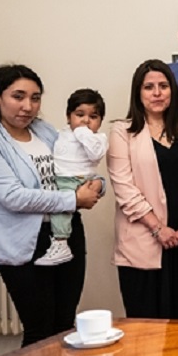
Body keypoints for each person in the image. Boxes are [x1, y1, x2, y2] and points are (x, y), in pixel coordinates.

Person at [0, 64, 100, 346]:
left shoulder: (43, 130)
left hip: (66, 233)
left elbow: (76, 165)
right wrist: (74, 199)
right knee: (39, 330)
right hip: (23, 243)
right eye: (18, 96)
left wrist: (97, 183)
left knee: (65, 324)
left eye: (35, 97)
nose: (28, 106)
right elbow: (13, 196)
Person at [107, 59, 178, 320]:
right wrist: (158, 228)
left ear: (172, 92)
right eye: (149, 87)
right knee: (148, 334)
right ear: (138, 93)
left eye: (163, 86)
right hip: (146, 245)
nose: (157, 93)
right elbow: (124, 189)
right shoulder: (123, 132)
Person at [37, 89, 108, 266]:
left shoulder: (98, 138)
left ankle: (61, 243)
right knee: (59, 207)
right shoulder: (61, 133)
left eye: (93, 117)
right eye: (80, 115)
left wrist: (84, 134)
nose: (86, 120)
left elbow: (95, 154)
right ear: (68, 117)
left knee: (61, 211)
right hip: (61, 178)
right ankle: (59, 243)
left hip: (76, 179)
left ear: (100, 121)